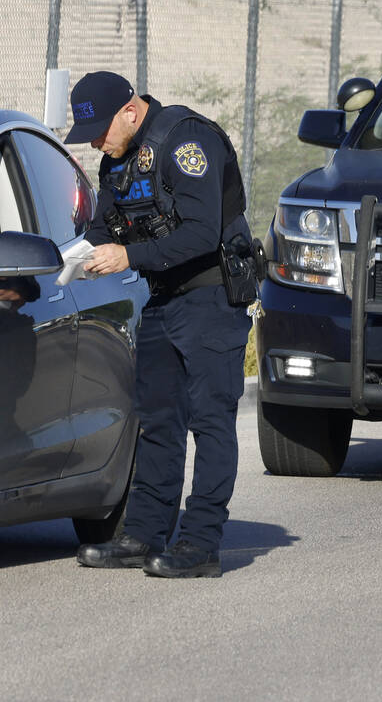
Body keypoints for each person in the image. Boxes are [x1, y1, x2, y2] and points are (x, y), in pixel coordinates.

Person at [64, 71, 258, 579]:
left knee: (210, 422)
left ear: (131, 110)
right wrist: (68, 257)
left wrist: (127, 256)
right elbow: (102, 229)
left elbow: (200, 232)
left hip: (213, 297)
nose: (97, 143)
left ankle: (200, 542)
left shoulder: (187, 140)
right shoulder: (116, 160)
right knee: (157, 422)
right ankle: (145, 533)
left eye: (102, 129)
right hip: (162, 298)